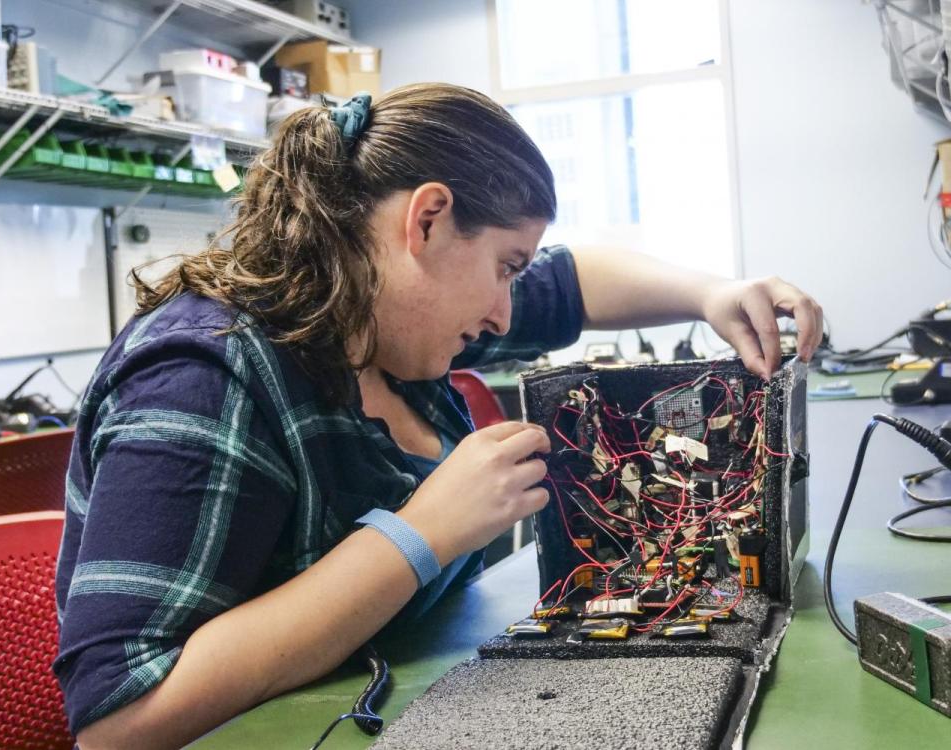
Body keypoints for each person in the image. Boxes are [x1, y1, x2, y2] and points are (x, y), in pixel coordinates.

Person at [57, 82, 823, 749]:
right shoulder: (204, 375)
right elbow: (121, 719)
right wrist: (422, 533)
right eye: (503, 268)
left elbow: (577, 280)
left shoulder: (381, 319)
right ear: (426, 220)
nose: (503, 313)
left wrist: (711, 293)